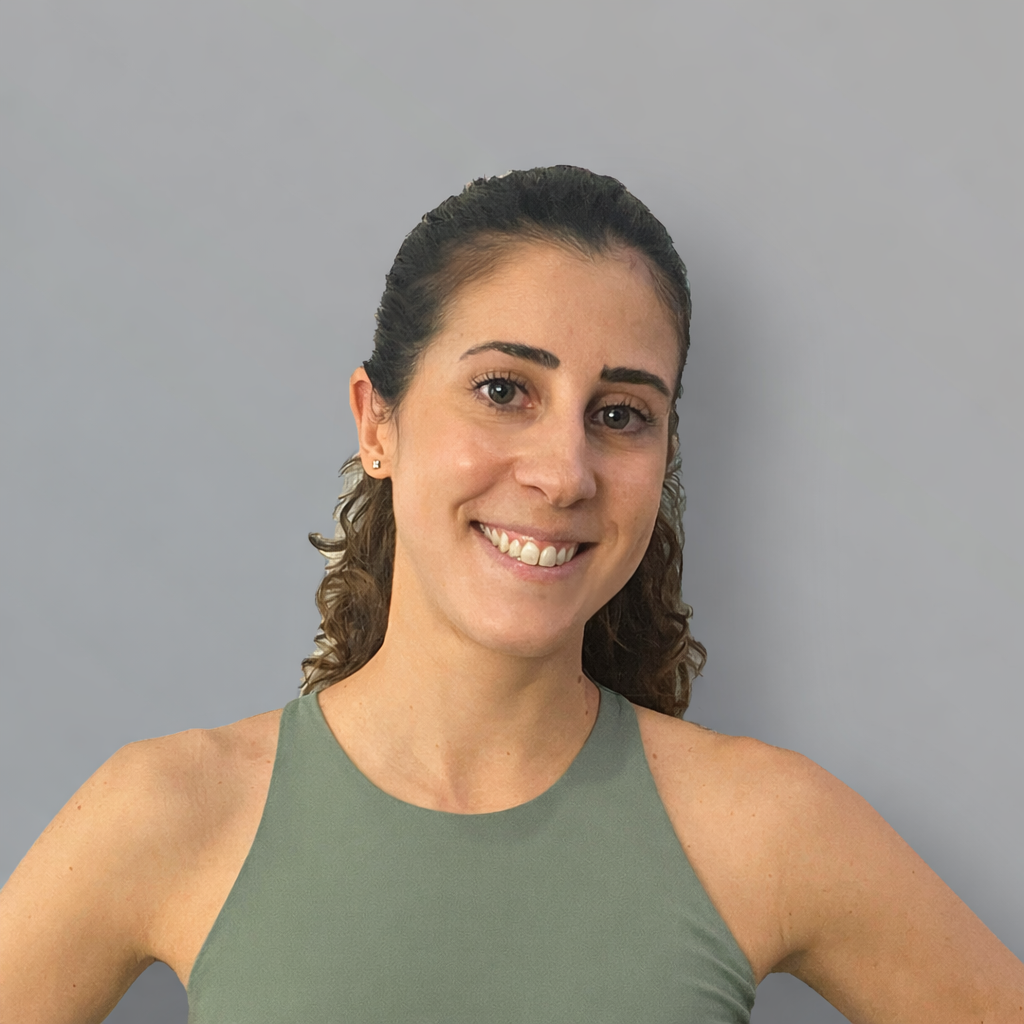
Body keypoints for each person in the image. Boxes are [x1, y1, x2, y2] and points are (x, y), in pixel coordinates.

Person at [0, 166, 1020, 1024]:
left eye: (620, 413)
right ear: (378, 422)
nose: (562, 469)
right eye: (503, 391)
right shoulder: (174, 812)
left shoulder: (764, 826)